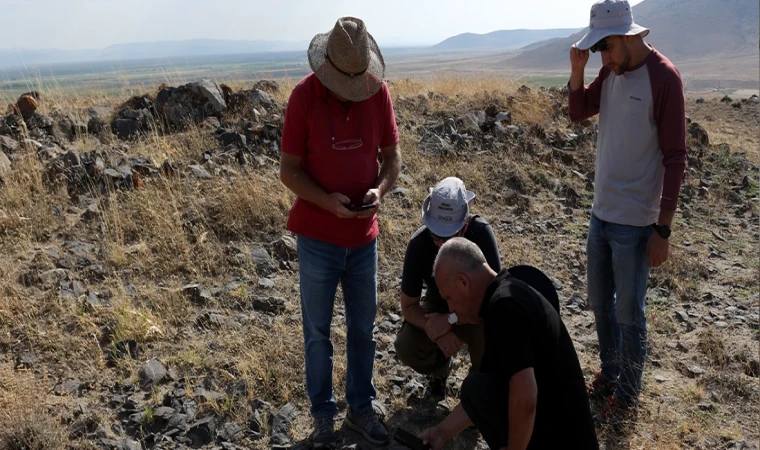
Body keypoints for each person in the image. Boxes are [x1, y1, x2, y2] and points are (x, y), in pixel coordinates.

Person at [279, 16, 401, 447]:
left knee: (363, 328)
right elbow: (289, 172)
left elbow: (392, 159)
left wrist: (378, 190)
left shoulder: (378, 92)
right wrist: (325, 201)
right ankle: (322, 416)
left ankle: (360, 410)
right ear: (325, 70)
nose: (353, 91)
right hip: (317, 239)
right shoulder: (303, 98)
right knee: (317, 332)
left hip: (364, 239)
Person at [568, 0, 687, 425]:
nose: (603, 55)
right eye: (597, 48)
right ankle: (612, 373)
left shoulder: (664, 78)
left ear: (629, 36)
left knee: (629, 314)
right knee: (601, 304)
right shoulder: (609, 72)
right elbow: (579, 112)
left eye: (607, 47)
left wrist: (663, 230)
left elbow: (676, 158)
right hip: (601, 214)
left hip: (636, 223)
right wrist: (579, 72)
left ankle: (629, 397)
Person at [420, 239, 598, 450]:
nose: (450, 307)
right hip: (554, 427)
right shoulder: (504, 298)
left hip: (565, 439)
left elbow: (526, 396)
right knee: (476, 387)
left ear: (463, 282)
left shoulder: (505, 307)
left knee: (475, 387)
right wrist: (441, 433)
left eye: (448, 297)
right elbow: (486, 391)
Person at [394, 177, 501, 397]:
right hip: (439, 305)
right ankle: (440, 371)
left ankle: (480, 397)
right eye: (436, 235)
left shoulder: (481, 233)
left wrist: (451, 321)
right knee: (407, 346)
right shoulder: (418, 245)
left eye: (450, 235)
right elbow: (409, 307)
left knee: (493, 337)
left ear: (466, 224)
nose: (442, 243)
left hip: (479, 309)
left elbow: (496, 299)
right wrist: (438, 332)